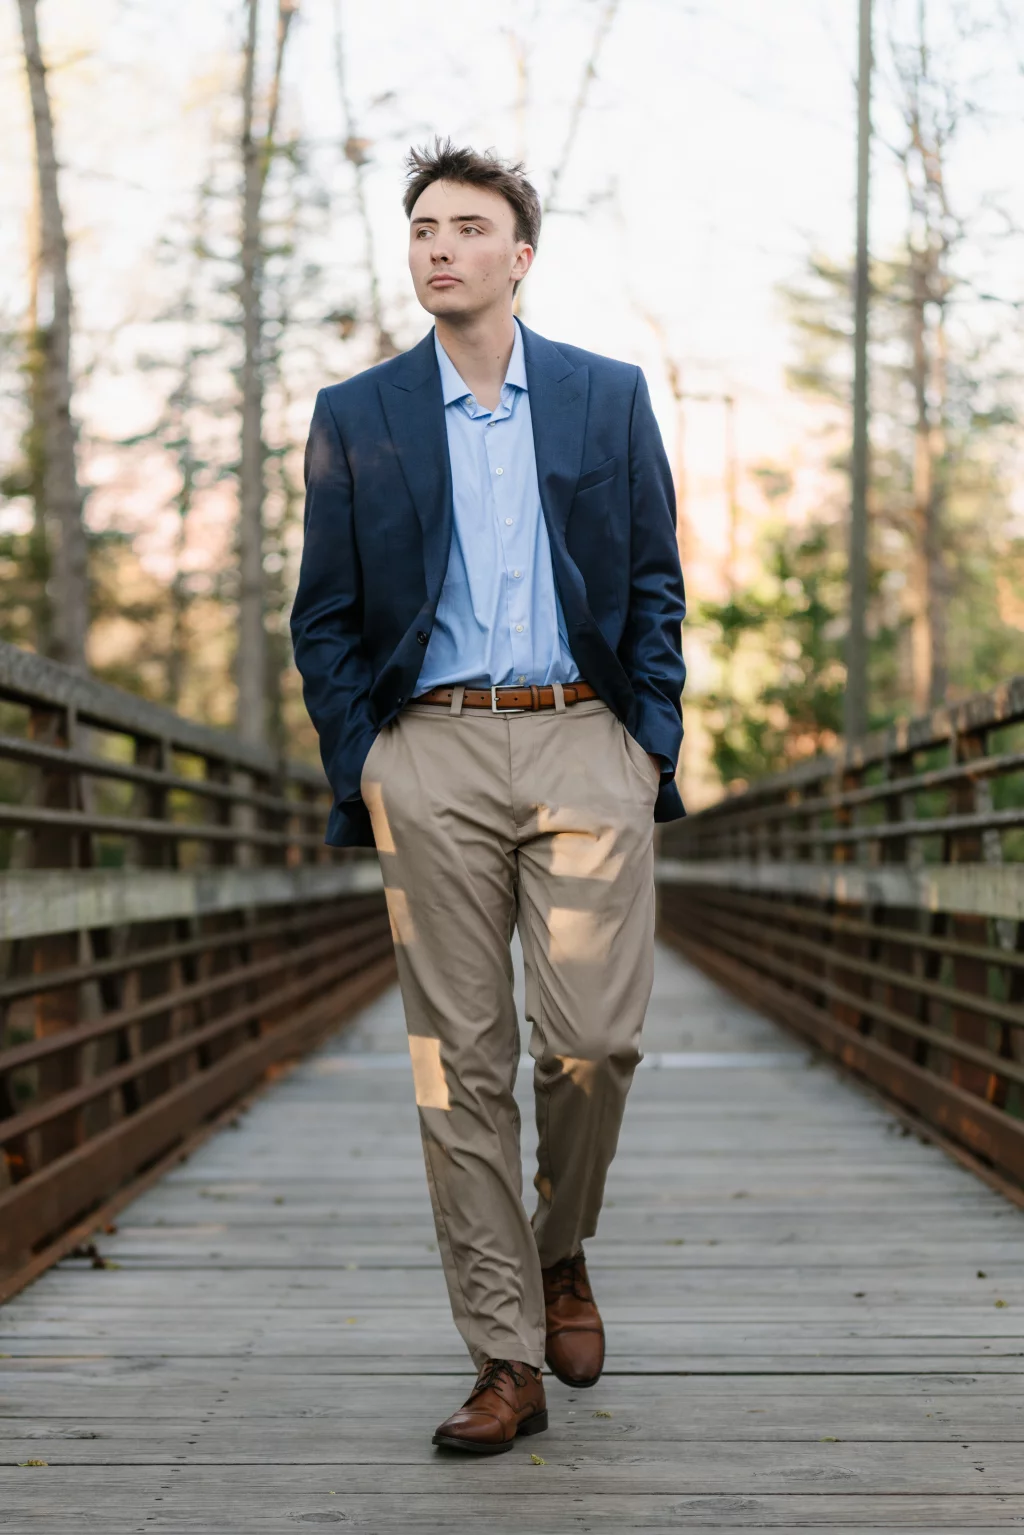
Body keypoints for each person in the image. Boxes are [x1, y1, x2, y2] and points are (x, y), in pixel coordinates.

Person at [291, 138, 686, 1455]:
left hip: (584, 739)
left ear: (521, 256)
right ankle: (504, 1354)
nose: (439, 247)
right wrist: (369, 760)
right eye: (421, 229)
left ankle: (559, 1240)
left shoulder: (605, 395)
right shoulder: (357, 413)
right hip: (432, 751)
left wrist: (651, 743)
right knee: (455, 1068)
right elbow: (326, 617)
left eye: (467, 227)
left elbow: (652, 584)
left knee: (592, 1041)